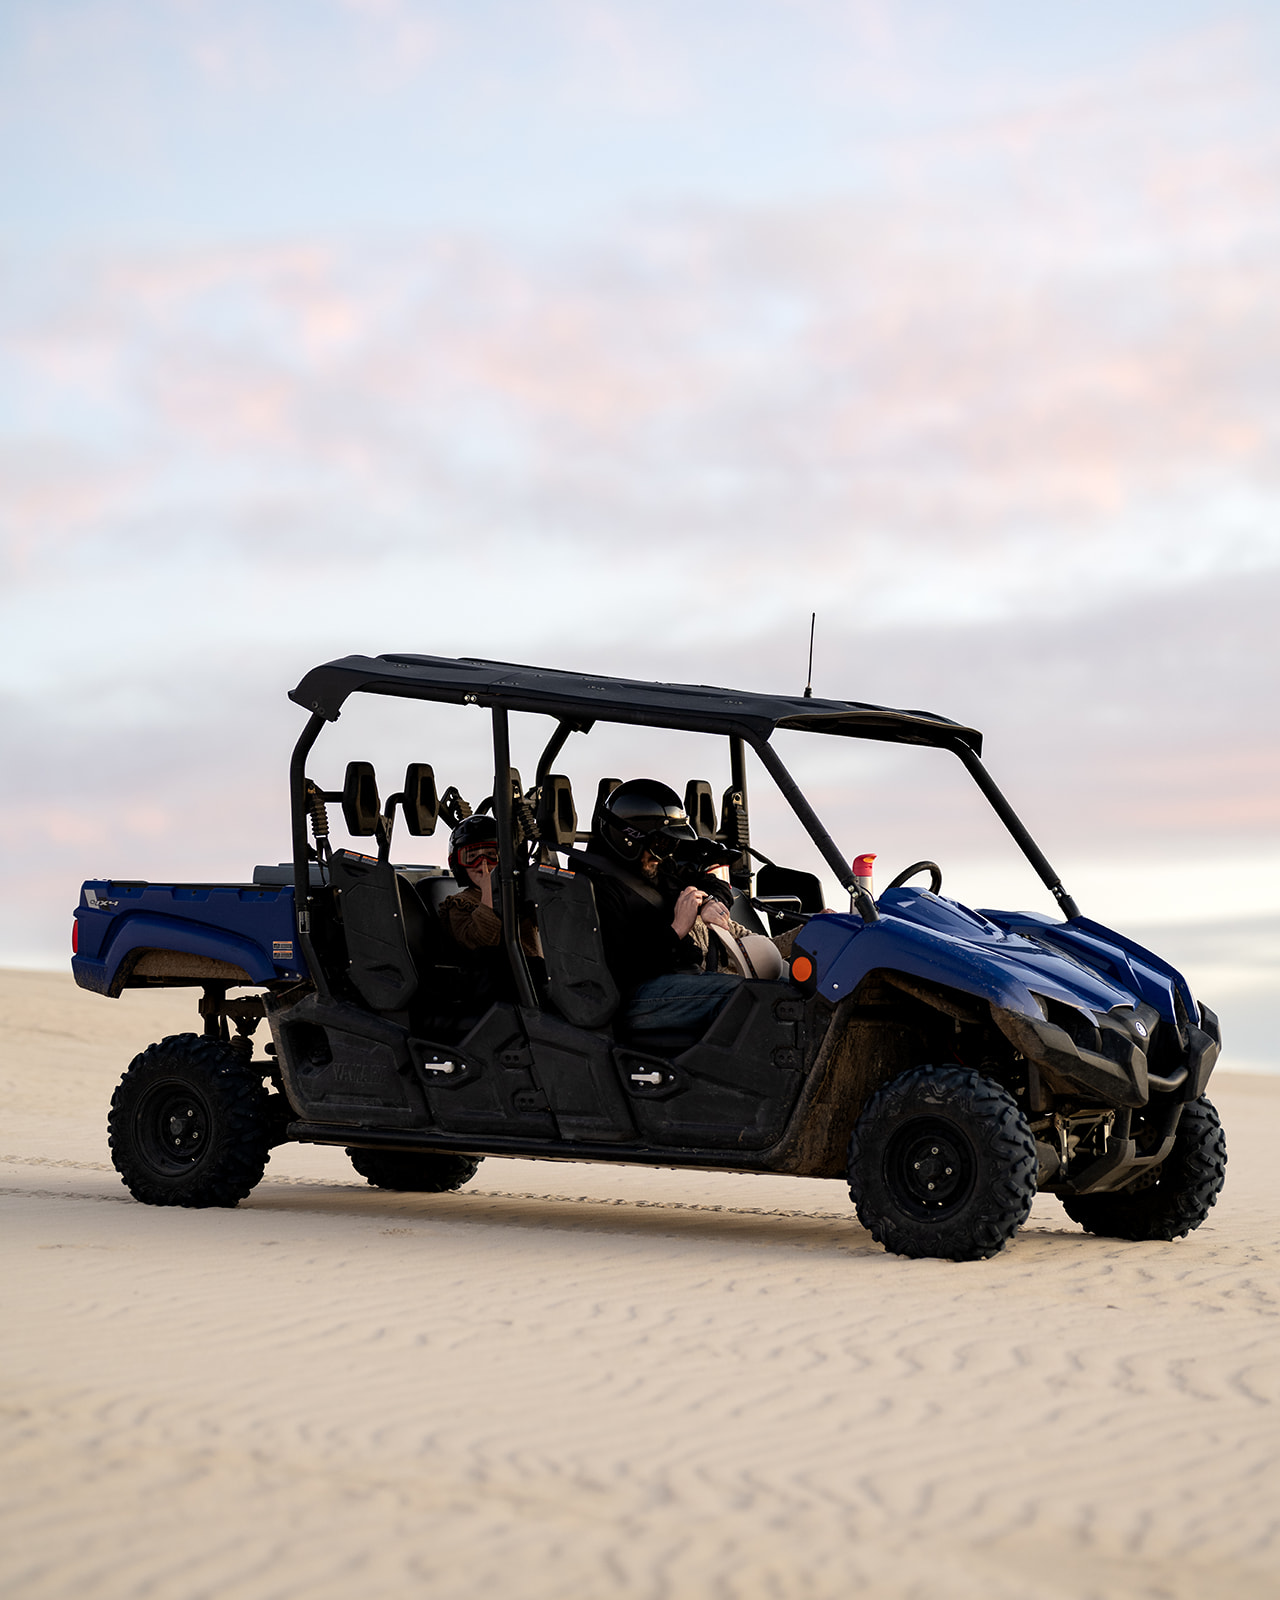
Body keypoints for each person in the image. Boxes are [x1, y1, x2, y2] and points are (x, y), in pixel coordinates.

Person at [578, 779, 743, 1038]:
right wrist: (676, 929)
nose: (665, 854)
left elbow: (710, 882)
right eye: (662, 844)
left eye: (672, 845)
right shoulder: (596, 889)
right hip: (630, 996)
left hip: (681, 978)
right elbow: (621, 968)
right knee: (747, 999)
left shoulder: (658, 869)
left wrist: (710, 901)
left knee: (775, 991)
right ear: (629, 838)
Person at [441, 816, 541, 960]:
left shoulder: (516, 894)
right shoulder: (458, 904)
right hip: (491, 976)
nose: (483, 864)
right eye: (472, 856)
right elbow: (480, 942)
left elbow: (551, 922)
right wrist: (488, 890)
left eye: (491, 855)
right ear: (457, 862)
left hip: (531, 974)